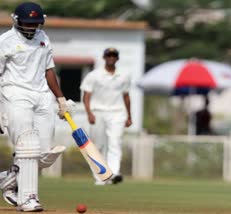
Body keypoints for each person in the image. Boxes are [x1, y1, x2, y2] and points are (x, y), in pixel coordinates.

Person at [0, 2, 75, 211]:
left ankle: (7, 181)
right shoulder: (5, 41)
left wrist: (61, 99)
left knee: (44, 154)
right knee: (27, 147)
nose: (31, 27)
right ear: (17, 20)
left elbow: (49, 69)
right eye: (27, 23)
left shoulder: (43, 38)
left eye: (35, 23)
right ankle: (28, 199)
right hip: (15, 94)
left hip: (42, 96)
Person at [80, 47, 132, 185]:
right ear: (104, 57)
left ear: (117, 58)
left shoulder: (124, 75)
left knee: (115, 143)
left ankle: (113, 174)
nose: (111, 57)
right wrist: (89, 113)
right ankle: (100, 177)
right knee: (98, 145)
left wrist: (129, 116)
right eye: (109, 55)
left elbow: (126, 96)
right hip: (98, 112)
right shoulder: (94, 75)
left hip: (117, 113)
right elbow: (86, 96)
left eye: (114, 55)